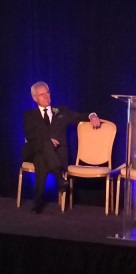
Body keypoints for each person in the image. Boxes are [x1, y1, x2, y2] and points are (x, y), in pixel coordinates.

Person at [22, 81, 101, 214]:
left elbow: (79, 116)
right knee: (43, 145)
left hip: (56, 155)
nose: (46, 97)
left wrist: (92, 115)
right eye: (42, 95)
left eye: (47, 93)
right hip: (34, 150)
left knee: (42, 159)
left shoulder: (62, 111)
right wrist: (47, 141)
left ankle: (37, 200)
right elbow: (30, 135)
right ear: (35, 98)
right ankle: (60, 179)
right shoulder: (29, 115)